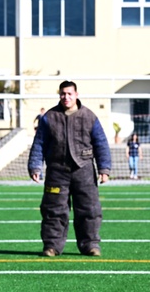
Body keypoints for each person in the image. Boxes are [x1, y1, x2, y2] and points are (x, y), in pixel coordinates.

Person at [28, 80, 111, 257]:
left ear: (76, 94)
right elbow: (39, 143)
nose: (66, 97)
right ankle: (51, 246)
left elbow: (101, 144)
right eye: (63, 94)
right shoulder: (49, 117)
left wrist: (104, 168)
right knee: (53, 210)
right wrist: (35, 166)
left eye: (69, 94)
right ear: (59, 95)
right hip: (56, 171)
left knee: (89, 210)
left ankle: (91, 246)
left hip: (85, 171)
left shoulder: (89, 116)